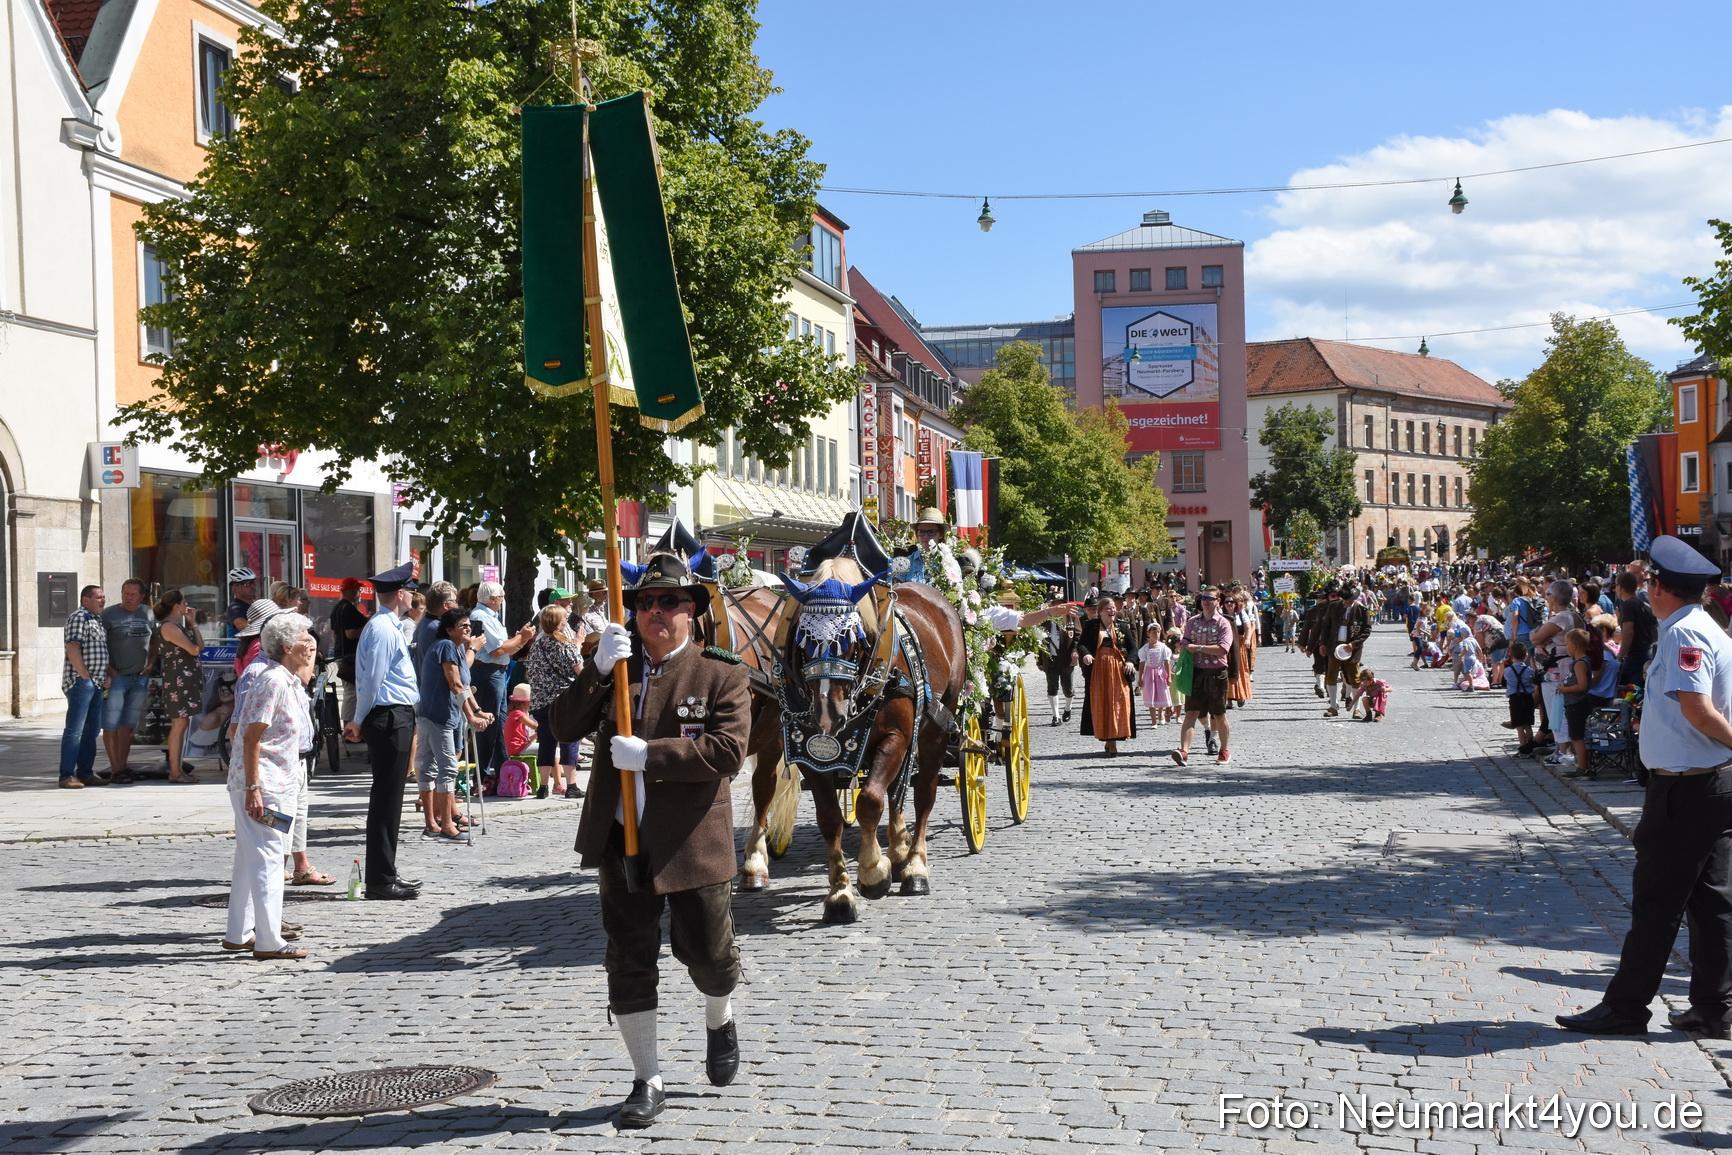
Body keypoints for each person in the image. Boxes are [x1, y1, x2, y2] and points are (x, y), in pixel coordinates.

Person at [549, 554, 752, 1127]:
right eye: (644, 603)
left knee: (711, 957)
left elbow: (728, 752)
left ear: (692, 612)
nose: (655, 612)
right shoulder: (616, 667)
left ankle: (720, 1018)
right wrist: (594, 669)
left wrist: (651, 756)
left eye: (669, 602)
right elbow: (562, 727)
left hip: (692, 839)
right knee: (629, 960)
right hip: (621, 839)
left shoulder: (721, 673)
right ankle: (648, 1078)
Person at [1558, 536, 1732, 1039]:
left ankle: (1627, 1008)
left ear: (1657, 587)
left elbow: (1697, 710)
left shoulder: (1683, 634)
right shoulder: (1707, 628)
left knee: (1656, 904)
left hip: (1685, 789)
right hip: (1709, 784)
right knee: (1712, 902)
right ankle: (1714, 1008)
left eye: (1650, 580)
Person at [223, 612, 317, 961]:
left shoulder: (287, 679)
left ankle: (238, 933)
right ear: (288, 646)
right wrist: (253, 788)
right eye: (306, 638)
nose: (312, 644)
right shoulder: (273, 681)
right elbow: (250, 738)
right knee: (269, 859)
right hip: (265, 786)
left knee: (250, 860)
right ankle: (269, 940)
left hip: (275, 783)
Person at [343, 564, 422, 900]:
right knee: (386, 800)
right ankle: (379, 880)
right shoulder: (384, 629)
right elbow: (371, 680)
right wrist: (359, 719)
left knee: (390, 800)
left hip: (395, 715)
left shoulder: (386, 625)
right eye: (410, 591)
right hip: (388, 717)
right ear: (401, 594)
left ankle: (385, 872)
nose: (412, 596)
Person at [415, 610, 492, 842]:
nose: (468, 629)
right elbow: (455, 684)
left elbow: (464, 685)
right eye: (463, 626)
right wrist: (472, 717)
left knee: (427, 766)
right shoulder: (447, 646)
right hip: (439, 717)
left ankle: (431, 824)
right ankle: (447, 825)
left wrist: (477, 710)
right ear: (449, 629)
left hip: (430, 714)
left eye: (469, 625)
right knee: (447, 768)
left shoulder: (455, 648)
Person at [470, 581, 537, 780]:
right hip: (487, 673)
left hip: (497, 672)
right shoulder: (481, 616)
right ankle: (482, 776)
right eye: (501, 597)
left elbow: (505, 650)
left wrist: (522, 640)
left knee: (500, 724)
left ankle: (501, 771)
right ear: (492, 599)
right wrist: (520, 639)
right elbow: (498, 650)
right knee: (489, 724)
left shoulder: (491, 617)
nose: (502, 600)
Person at [524, 603, 587, 799]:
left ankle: (543, 787)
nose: (566, 622)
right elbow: (581, 673)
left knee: (547, 742)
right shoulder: (565, 646)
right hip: (563, 701)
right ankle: (571, 785)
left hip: (540, 703)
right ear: (558, 623)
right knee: (569, 740)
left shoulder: (536, 646)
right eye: (564, 619)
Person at [100, 578, 155, 781]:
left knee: (128, 725)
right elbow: (99, 644)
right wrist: (109, 669)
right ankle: (115, 770)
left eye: (133, 594)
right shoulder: (109, 615)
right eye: (125, 593)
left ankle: (123, 766)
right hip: (117, 678)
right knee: (111, 724)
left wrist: (151, 664)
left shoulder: (147, 612)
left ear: (142, 596)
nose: (128, 598)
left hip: (139, 677)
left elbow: (155, 639)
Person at [1172, 587, 1232, 765]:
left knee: (1219, 714)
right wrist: (1183, 645)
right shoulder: (1192, 622)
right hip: (1196, 672)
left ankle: (1224, 750)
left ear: (1217, 601)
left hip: (1216, 674)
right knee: (1191, 713)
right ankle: (1184, 751)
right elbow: (1185, 641)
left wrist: (1198, 648)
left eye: (1210, 598)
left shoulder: (1223, 623)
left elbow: (1223, 649)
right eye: (1203, 598)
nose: (1205, 601)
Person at [58, 584, 109, 789]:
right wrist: (85, 677)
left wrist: (103, 676)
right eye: (98, 597)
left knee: (92, 730)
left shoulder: (96, 620)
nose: (103, 601)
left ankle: (86, 773)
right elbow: (73, 648)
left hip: (96, 682)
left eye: (104, 597)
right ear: (85, 600)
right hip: (82, 683)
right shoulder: (79, 617)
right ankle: (66, 775)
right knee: (75, 730)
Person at [153, 591, 204, 784]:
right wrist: (193, 642)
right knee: (179, 723)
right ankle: (175, 770)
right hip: (178, 679)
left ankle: (177, 768)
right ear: (176, 606)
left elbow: (200, 646)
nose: (187, 605)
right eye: (184, 602)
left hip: (184, 678)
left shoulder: (177, 626)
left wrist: (193, 623)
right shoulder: (168, 627)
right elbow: (193, 649)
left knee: (182, 723)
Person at [1078, 596, 1136, 756]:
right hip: (1099, 669)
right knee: (1103, 703)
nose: (1112, 611)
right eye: (1108, 608)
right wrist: (1086, 655)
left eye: (1113, 608)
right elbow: (1081, 644)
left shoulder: (1122, 626)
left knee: (1118, 702)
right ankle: (1108, 739)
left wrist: (1130, 661)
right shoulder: (1091, 626)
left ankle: (1113, 740)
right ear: (1100, 611)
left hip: (1118, 669)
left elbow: (1133, 647)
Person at [1321, 583, 1373, 718]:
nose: (1347, 602)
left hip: (1352, 649)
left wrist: (1354, 644)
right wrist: (1323, 644)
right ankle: (1333, 706)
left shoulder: (1362, 610)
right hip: (1334, 647)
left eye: (1350, 600)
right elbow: (1326, 626)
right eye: (1345, 600)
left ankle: (1357, 709)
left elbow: (1366, 630)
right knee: (1331, 676)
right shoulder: (1333, 606)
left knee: (1355, 678)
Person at [330, 577, 370, 730]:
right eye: (358, 590)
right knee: (352, 692)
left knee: (351, 691)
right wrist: (367, 627)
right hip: (349, 657)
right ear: (352, 591)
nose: (360, 592)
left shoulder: (339, 607)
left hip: (344, 654)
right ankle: (349, 728)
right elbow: (350, 633)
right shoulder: (348, 609)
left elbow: (336, 634)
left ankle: (349, 727)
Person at [1615, 570, 1658, 690]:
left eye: (1616, 586)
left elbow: (1628, 630)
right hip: (1647, 653)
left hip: (1635, 656)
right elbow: (1655, 630)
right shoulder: (1645, 605)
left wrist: (1621, 654)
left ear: (1621, 587)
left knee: (1629, 692)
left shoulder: (1626, 605)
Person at [1037, 603, 1078, 727]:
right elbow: (1040, 641)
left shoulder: (1072, 618)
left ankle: (1067, 708)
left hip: (1067, 659)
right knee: (1052, 687)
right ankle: (1056, 716)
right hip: (1050, 659)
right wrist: (1039, 660)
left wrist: (1075, 650)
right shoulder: (1046, 622)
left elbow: (1078, 636)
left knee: (1068, 689)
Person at [1503, 640, 1539, 755]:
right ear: (1526, 656)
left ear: (1511, 655)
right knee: (1528, 724)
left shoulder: (1508, 671)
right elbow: (1533, 681)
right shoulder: (1529, 671)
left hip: (1514, 699)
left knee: (1519, 726)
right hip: (1528, 698)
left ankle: (1523, 747)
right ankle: (1530, 745)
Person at [1138, 622, 1173, 727]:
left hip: (1160, 672)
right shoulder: (1145, 648)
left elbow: (1167, 662)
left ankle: (1160, 713)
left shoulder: (1163, 647)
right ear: (1149, 633)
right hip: (1149, 673)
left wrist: (1169, 676)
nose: (1156, 634)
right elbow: (1142, 663)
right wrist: (1140, 678)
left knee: (1161, 693)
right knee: (1150, 694)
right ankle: (1153, 720)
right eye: (1153, 632)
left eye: (1158, 632)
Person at [225, 567, 257, 635]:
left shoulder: (256, 605)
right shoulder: (234, 608)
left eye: (253, 582)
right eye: (247, 584)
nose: (252, 586)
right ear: (235, 589)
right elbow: (244, 628)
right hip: (240, 645)